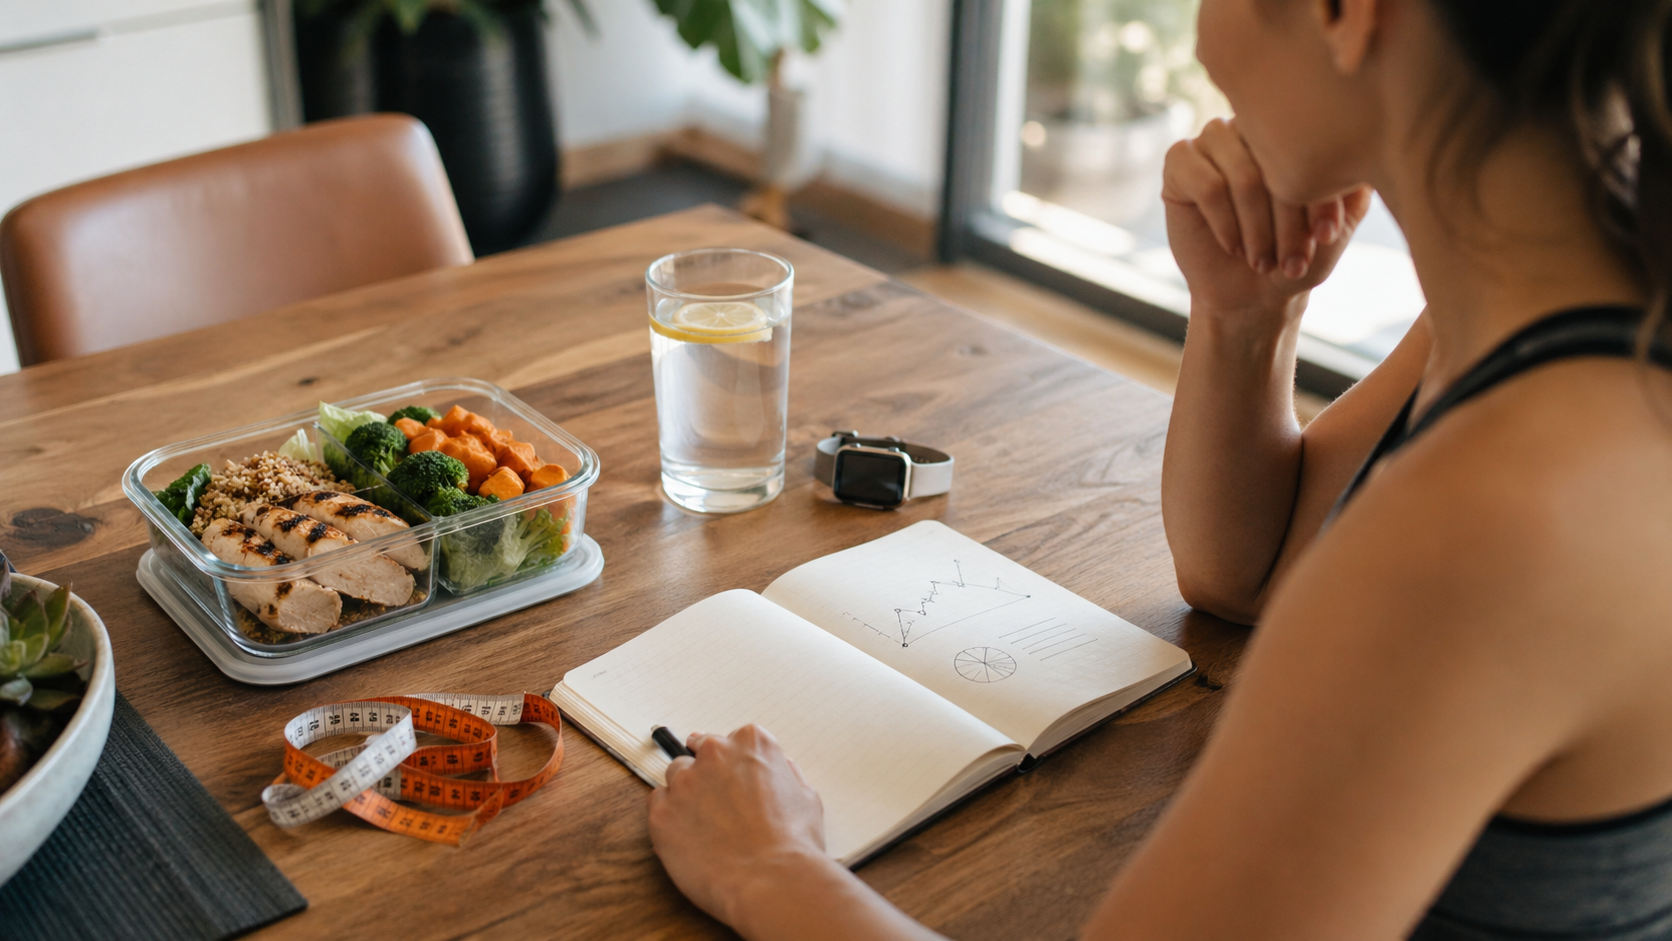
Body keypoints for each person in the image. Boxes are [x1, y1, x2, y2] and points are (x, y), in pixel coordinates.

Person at [644, 0, 1672, 936]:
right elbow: (1254, 575)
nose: (1194, 40)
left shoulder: (1489, 522)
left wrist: (769, 868)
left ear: (1344, 14)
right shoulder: (1548, 301)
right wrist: (1244, 313)